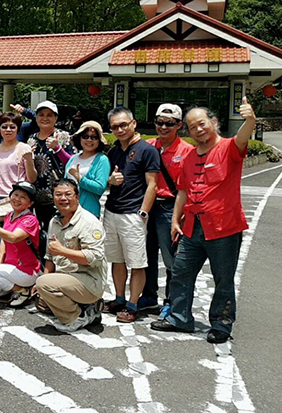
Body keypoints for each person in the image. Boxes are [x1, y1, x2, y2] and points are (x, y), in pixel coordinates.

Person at [151, 99, 255, 344]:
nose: (198, 129)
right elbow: (183, 191)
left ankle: (221, 323)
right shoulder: (188, 157)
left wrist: (249, 119)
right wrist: (175, 220)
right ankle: (179, 317)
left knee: (223, 278)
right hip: (192, 227)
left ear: (214, 122)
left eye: (202, 124)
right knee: (180, 272)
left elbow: (243, 137)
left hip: (223, 227)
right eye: (192, 126)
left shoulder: (229, 148)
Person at [102, 106, 160, 323]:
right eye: (115, 126)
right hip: (112, 211)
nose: (120, 129)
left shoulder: (147, 150)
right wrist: (110, 181)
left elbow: (152, 185)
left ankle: (133, 304)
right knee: (116, 260)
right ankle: (119, 298)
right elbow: (108, 179)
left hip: (133, 214)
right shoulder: (114, 151)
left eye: (124, 124)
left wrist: (143, 213)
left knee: (137, 262)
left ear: (134, 123)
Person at [140, 104, 194, 316]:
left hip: (171, 207)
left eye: (169, 124)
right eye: (159, 122)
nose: (163, 127)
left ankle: (172, 301)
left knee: (172, 257)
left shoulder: (187, 151)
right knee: (146, 254)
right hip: (147, 206)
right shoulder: (148, 146)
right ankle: (148, 296)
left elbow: (187, 187)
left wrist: (179, 216)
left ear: (179, 125)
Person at [34, 179, 107, 332]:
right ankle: (88, 309)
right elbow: (49, 257)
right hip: (67, 278)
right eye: (58, 194)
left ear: (77, 197)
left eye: (68, 194)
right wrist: (43, 288)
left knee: (44, 285)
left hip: (89, 281)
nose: (63, 198)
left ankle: (77, 317)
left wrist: (62, 251)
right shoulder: (54, 221)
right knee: (41, 300)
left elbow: (95, 258)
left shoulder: (89, 222)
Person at [0, 182, 42, 305]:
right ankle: (18, 288)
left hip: (26, 270)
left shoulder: (30, 220)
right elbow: (4, 240)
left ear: (30, 203)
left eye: (23, 197)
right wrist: (0, 263)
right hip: (11, 268)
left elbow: (13, 238)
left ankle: (22, 290)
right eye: (15, 194)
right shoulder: (9, 215)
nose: (17, 199)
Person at [25, 101, 72, 231]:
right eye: (41, 114)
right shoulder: (31, 139)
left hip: (58, 195)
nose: (45, 118)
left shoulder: (63, 136)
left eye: (49, 115)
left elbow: (72, 163)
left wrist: (58, 148)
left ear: (55, 118)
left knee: (59, 231)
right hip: (37, 194)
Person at [0, 111, 37, 200]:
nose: (8, 130)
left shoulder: (25, 148)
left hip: (20, 197)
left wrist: (29, 161)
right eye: (4, 127)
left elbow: (32, 179)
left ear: (18, 129)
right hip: (0, 197)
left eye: (12, 127)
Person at [64, 121, 110, 218]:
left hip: (88, 214)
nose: (89, 140)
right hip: (68, 212)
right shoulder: (73, 158)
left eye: (94, 137)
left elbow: (100, 188)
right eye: (85, 136)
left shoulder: (102, 160)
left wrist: (79, 177)